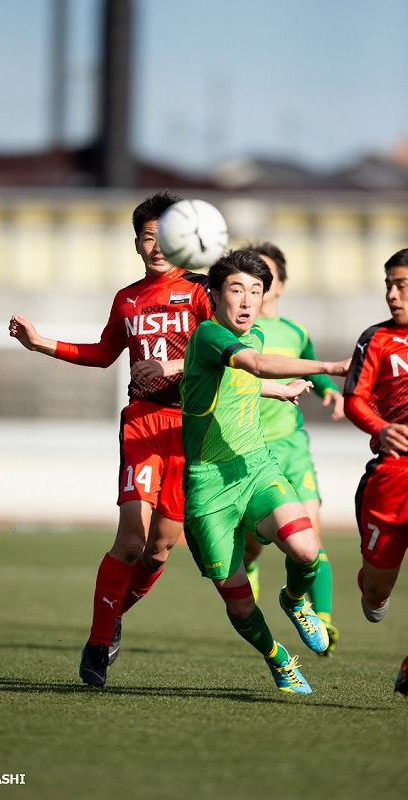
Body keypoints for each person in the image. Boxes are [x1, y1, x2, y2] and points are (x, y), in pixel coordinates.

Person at [9, 190, 214, 688]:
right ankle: (98, 643)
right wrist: (42, 344)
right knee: (130, 540)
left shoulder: (205, 291)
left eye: (165, 237)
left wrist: (174, 365)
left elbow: (229, 354)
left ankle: (114, 613)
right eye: (147, 238)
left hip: (193, 427)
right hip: (143, 421)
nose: (156, 247)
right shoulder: (127, 298)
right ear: (137, 244)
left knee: (161, 550)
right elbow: (103, 353)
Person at [180, 249, 349, 694]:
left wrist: (276, 391)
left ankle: (295, 601)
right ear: (215, 295)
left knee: (306, 548)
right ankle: (278, 659)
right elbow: (251, 365)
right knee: (238, 603)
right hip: (207, 484)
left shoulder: (252, 334)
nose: (248, 299)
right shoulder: (210, 335)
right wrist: (329, 367)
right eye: (237, 289)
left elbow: (245, 378)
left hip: (255, 466)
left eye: (256, 290)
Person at [241, 242, 343, 655]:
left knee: (310, 541)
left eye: (264, 277)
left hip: (292, 448)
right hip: (248, 449)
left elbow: (313, 368)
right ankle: (248, 582)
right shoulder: (235, 333)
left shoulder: (296, 333)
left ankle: (323, 621)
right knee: (250, 546)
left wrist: (331, 392)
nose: (256, 287)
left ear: (278, 285)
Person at [343, 247, 408, 696]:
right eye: (388, 284)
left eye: (402, 285)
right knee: (377, 589)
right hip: (391, 476)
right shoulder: (377, 339)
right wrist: (382, 428)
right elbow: (354, 399)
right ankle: (373, 588)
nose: (391, 294)